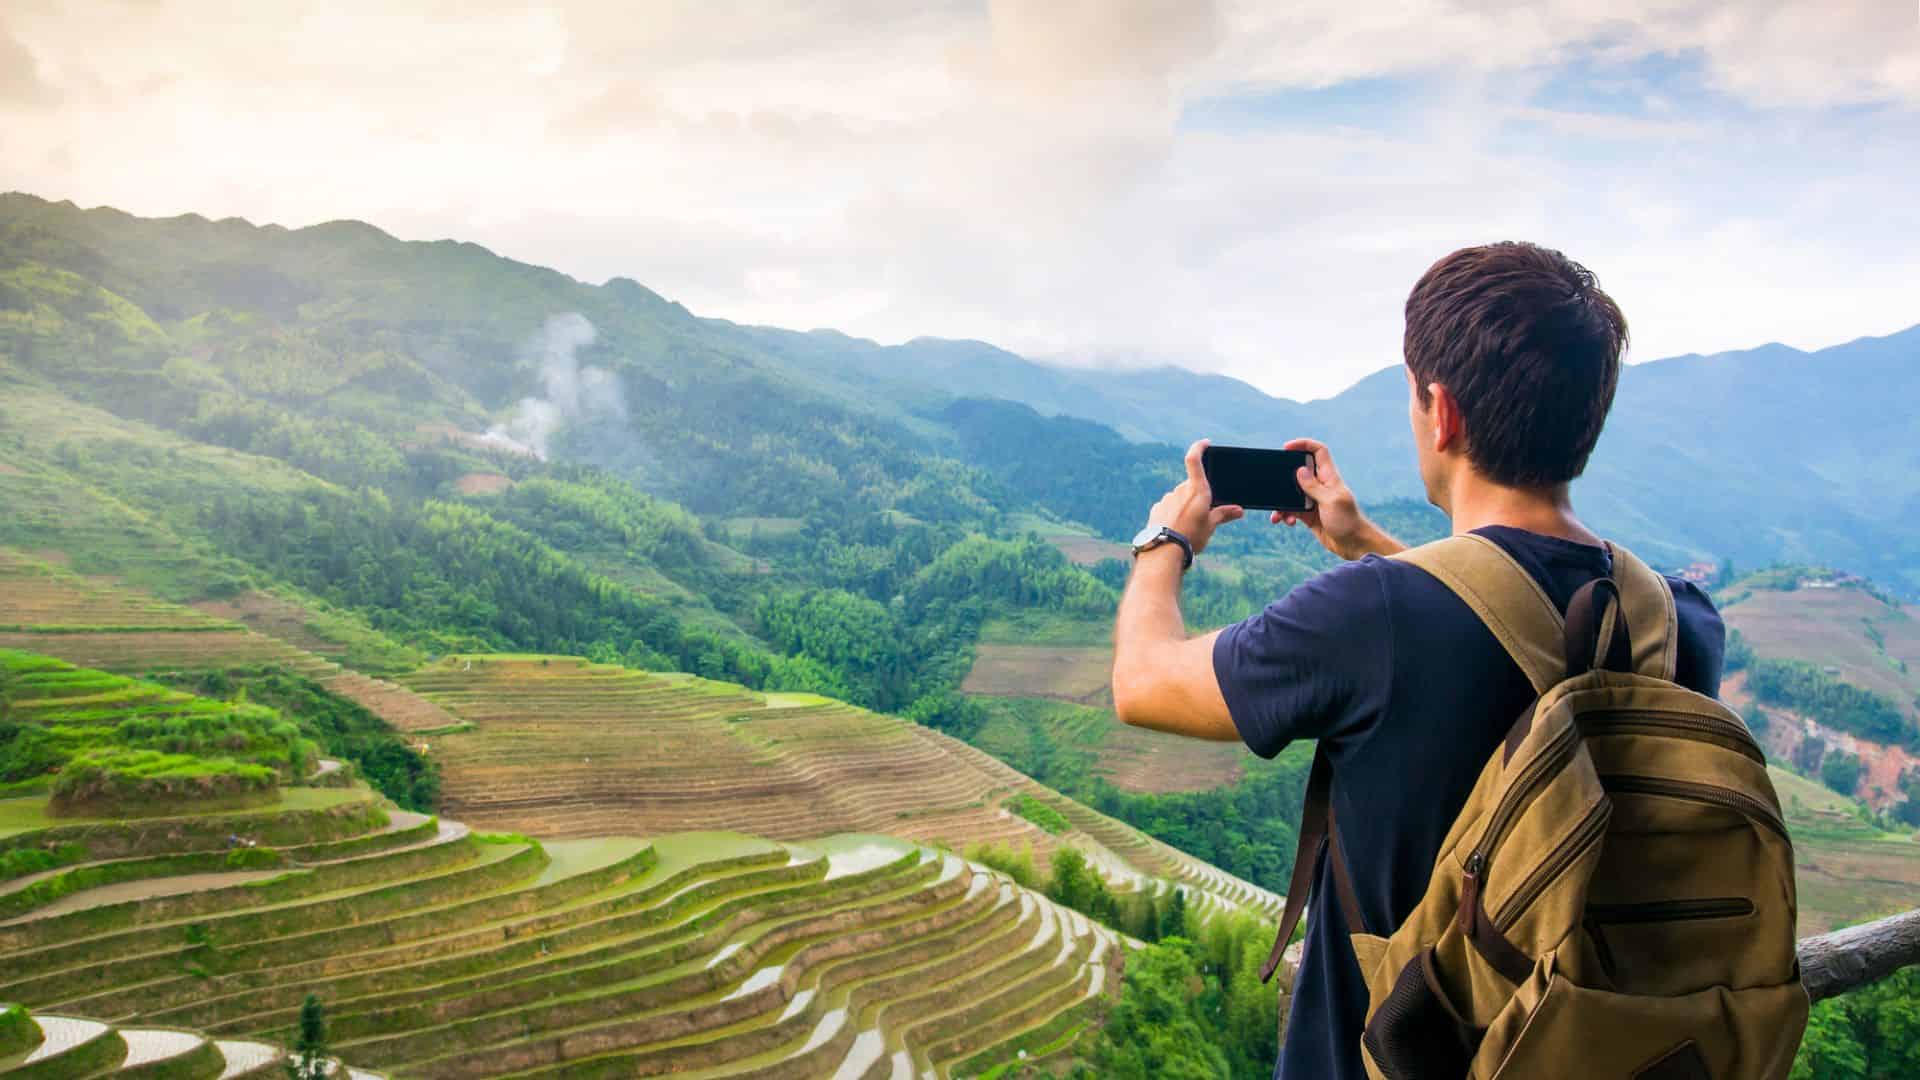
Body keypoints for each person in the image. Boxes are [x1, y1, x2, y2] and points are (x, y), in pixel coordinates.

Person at [1108, 241, 1724, 1079]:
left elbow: (1143, 684)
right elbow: (1517, 636)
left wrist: (1165, 539)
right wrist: (1362, 544)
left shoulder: (1371, 619)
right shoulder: (1677, 620)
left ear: (1442, 413)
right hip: (1591, 1048)